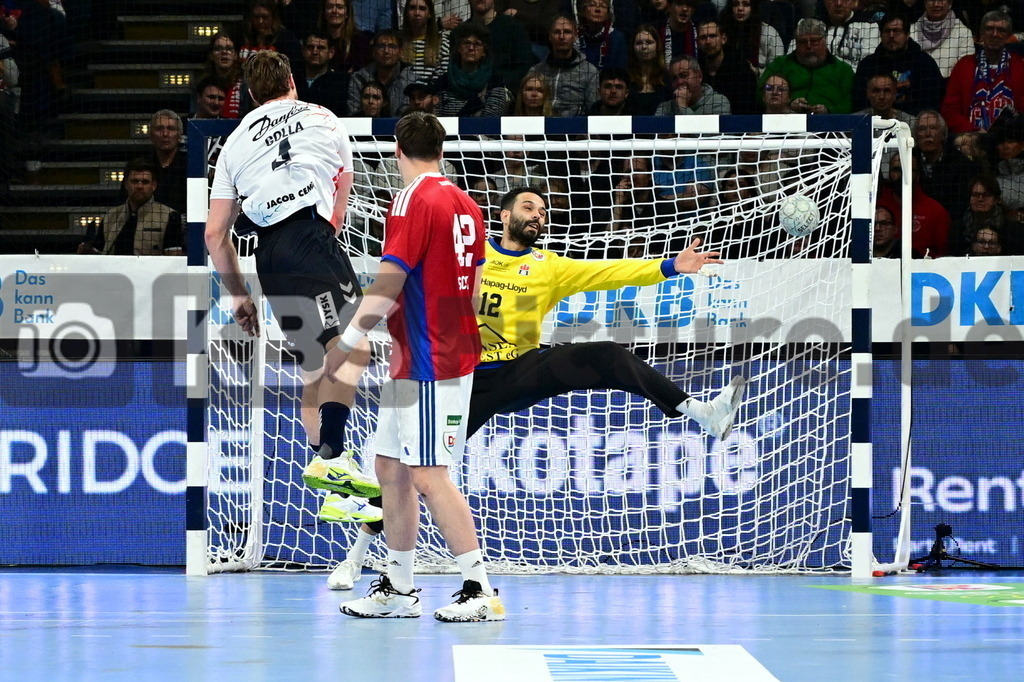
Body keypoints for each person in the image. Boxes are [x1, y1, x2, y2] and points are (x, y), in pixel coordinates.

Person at [323, 185, 746, 592]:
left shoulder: (548, 267)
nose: (537, 216)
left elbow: (608, 273)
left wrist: (670, 267)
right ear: (504, 215)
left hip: (519, 370)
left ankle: (703, 413)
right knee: (408, 472)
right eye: (529, 208)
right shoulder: (471, 254)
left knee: (606, 354)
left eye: (543, 212)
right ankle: (356, 558)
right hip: (461, 379)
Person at [331, 112, 501, 623]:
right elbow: (473, 284)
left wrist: (348, 340)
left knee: (428, 474)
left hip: (429, 359)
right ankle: (400, 588)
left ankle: (480, 590)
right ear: (441, 151)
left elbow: (389, 280)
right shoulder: (467, 203)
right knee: (390, 468)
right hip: (427, 354)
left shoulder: (411, 198)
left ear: (397, 151)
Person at [205, 50, 379, 513]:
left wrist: (239, 296)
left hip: (268, 257)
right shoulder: (322, 116)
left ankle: (337, 496)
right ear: (291, 82)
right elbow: (342, 188)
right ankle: (333, 459)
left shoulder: (233, 143)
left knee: (316, 368)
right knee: (355, 346)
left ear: (250, 94)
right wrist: (327, 233)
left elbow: (214, 234)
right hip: (309, 240)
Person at [78, 157, 182, 256]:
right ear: (126, 184)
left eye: (145, 182)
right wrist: (87, 253)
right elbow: (98, 256)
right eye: (134, 181)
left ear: (153, 186)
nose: (139, 186)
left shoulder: (170, 216)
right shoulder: (110, 217)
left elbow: (174, 261)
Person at [941, 10, 1024, 134]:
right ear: (981, 34)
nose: (994, 34)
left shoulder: (1020, 66)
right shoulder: (963, 66)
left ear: (1008, 36)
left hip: (1011, 137)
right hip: (971, 136)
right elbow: (949, 111)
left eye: (1001, 30)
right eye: (989, 29)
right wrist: (973, 130)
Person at [853, 13, 943, 116]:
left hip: (913, 121)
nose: (891, 35)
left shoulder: (925, 63)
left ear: (907, 34)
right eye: (887, 31)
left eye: (896, 31)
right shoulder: (868, 65)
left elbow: (931, 104)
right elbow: (859, 103)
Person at [759, 18, 854, 114]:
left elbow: (851, 103)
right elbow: (759, 94)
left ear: (825, 41)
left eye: (814, 41)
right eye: (803, 42)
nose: (809, 46)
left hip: (829, 120)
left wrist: (829, 110)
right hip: (786, 117)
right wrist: (787, 105)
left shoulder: (843, 70)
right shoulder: (780, 65)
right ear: (796, 43)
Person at [914, 109, 981, 221]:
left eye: (933, 128)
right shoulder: (908, 159)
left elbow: (961, 205)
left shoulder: (962, 164)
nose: (927, 134)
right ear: (916, 136)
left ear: (943, 134)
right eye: (922, 129)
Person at [527, 14, 599, 116]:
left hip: (575, 125)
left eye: (567, 32)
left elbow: (594, 111)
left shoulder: (590, 72)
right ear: (550, 36)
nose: (561, 36)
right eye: (557, 32)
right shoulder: (536, 70)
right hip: (542, 123)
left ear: (575, 36)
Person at [435, 21, 511, 117]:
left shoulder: (495, 81)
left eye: (477, 44)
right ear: (459, 48)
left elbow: (491, 119)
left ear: (484, 51)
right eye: (466, 43)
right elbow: (437, 118)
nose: (471, 48)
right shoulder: (443, 82)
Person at [466, 0, 537, 87]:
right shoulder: (461, 31)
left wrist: (502, 85)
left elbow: (524, 66)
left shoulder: (513, 27)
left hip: (504, 89)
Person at [949, 175, 1024, 256]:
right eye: (975, 195)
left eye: (986, 195)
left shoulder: (1012, 230)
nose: (980, 199)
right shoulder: (958, 228)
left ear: (996, 200)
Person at [347, 30, 416, 117]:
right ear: (373, 51)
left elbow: (409, 114)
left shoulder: (410, 79)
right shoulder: (359, 78)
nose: (386, 51)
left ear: (400, 51)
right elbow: (354, 114)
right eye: (381, 46)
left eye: (392, 46)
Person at [696, 19, 758, 114]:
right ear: (697, 43)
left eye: (713, 36)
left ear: (723, 39)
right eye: (703, 37)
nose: (708, 41)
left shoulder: (741, 70)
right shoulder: (695, 70)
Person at [909, 0, 974, 80]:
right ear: (925, 3)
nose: (936, 4)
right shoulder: (911, 31)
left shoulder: (963, 33)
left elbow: (966, 70)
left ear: (950, 4)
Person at [717, 0, 784, 75]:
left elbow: (778, 69)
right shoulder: (723, 32)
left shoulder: (769, 33)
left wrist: (756, 72)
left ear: (753, 8)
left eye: (746, 4)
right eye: (735, 4)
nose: (740, 8)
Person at [293, 31, 349, 116]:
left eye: (320, 48)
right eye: (310, 47)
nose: (314, 52)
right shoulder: (291, 80)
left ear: (331, 52)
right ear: (303, 50)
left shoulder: (341, 83)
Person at [655, 56, 731, 115]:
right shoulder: (664, 108)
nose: (679, 82)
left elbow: (707, 132)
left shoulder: (719, 102)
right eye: (674, 78)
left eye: (684, 75)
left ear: (699, 76)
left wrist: (683, 107)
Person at [145, 109, 187, 214]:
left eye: (171, 129)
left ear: (179, 135)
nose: (165, 134)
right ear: (151, 135)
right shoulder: (141, 166)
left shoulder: (191, 166)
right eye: (159, 129)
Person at [817, 0, 879, 71]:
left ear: (854, 2)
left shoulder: (869, 26)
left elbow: (868, 63)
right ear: (825, 2)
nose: (838, 3)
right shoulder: (816, 25)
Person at [399, 0, 450, 85]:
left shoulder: (442, 42)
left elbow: (443, 78)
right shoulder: (398, 42)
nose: (417, 13)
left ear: (430, 14)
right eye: (412, 8)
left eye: (422, 8)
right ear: (406, 13)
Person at [238, 0, 303, 66]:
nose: (260, 21)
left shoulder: (287, 38)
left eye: (265, 17)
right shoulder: (244, 35)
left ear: (273, 17)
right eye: (256, 17)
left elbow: (296, 67)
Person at [200, 32, 248, 119]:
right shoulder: (201, 84)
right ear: (211, 55)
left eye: (229, 49)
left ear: (235, 55)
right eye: (218, 49)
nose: (224, 52)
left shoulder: (246, 83)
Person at [316, 0, 373, 73]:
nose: (334, 11)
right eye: (330, 7)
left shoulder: (360, 41)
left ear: (347, 13)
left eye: (339, 7)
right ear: (324, 12)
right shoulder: (315, 39)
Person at [626, 24, 670, 116]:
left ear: (657, 46)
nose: (644, 47)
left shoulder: (667, 78)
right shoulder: (626, 78)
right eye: (639, 43)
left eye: (649, 42)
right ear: (633, 47)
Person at [576, 0, 628, 70]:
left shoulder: (617, 38)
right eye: (592, 5)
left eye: (603, 6)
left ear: (607, 14)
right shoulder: (574, 36)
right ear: (584, 11)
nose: (598, 9)